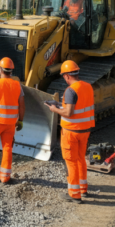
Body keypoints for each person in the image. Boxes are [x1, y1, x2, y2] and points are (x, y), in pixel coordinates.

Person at [47, 60, 95, 203]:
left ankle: (74, 194)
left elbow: (68, 113)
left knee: (71, 161)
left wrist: (54, 109)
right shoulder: (88, 87)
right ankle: (82, 188)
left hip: (71, 131)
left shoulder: (70, 90)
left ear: (67, 76)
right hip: (85, 130)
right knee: (81, 158)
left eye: (64, 76)